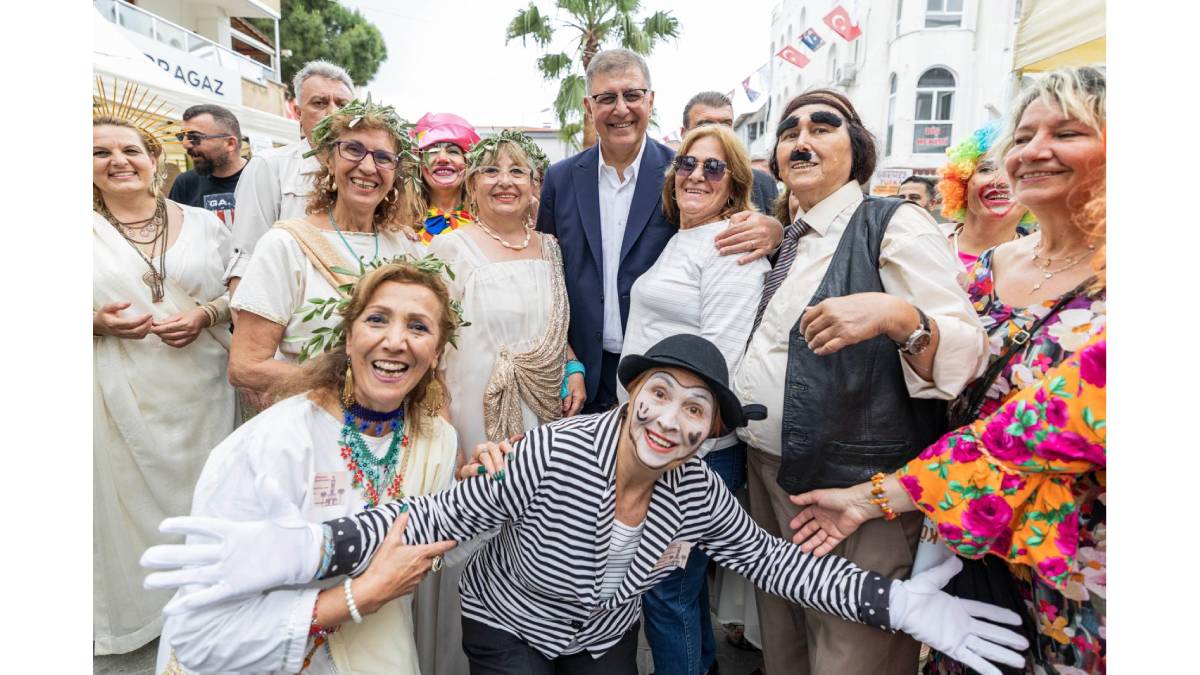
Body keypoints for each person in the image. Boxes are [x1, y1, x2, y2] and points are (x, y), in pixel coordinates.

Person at [144, 334, 1030, 675]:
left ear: (710, 434)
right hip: (512, 621)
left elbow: (781, 565)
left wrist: (897, 602)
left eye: (698, 410)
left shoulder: (694, 497)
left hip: (601, 632)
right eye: (661, 393)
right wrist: (303, 553)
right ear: (632, 391)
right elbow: (436, 518)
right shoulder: (560, 449)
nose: (671, 418)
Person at [790, 65, 1107, 675]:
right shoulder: (987, 268)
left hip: (1075, 563)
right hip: (966, 545)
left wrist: (872, 497)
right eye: (1022, 137)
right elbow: (948, 389)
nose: (1035, 151)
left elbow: (1029, 435)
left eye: (1067, 133)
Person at [731, 88, 988, 675]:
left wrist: (899, 317)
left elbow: (968, 352)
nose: (802, 139)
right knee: (787, 648)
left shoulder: (895, 223)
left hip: (856, 492)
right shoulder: (789, 239)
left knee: (853, 655)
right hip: (771, 479)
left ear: (859, 151)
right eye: (790, 131)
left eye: (823, 127)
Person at [152, 262, 462, 674]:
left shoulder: (436, 440)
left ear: (437, 352)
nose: (395, 341)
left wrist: (485, 481)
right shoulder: (273, 443)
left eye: (419, 327)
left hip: (381, 652)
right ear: (349, 338)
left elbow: (435, 536)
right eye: (377, 320)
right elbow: (204, 637)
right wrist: (357, 597)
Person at [537, 48, 785, 413]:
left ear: (650, 101)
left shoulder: (682, 174)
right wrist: (566, 359)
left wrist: (775, 229)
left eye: (632, 95)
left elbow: (731, 224)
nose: (621, 109)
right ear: (590, 108)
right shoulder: (560, 179)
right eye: (607, 98)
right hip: (579, 379)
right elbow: (546, 274)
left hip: (663, 381)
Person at [418, 129, 579, 675]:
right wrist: (443, 429)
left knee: (537, 528)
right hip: (471, 414)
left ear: (536, 187)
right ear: (472, 184)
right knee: (476, 525)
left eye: (518, 172)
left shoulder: (552, 248)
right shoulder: (448, 247)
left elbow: (558, 326)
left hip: (544, 417)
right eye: (491, 170)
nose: (505, 182)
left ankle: (533, 640)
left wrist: (574, 366)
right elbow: (431, 346)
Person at [619, 124, 768, 675]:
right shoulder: (684, 239)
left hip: (690, 451)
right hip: (661, 442)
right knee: (677, 594)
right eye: (687, 163)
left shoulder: (729, 243)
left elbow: (719, 358)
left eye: (713, 167)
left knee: (666, 593)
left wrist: (679, 449)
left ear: (733, 185)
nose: (697, 176)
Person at [92, 82, 235, 656]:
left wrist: (204, 313)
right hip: (117, 393)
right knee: (122, 507)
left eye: (130, 149)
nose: (118, 161)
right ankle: (139, 619)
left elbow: (242, 296)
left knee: (209, 496)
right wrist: (92, 321)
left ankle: (212, 604)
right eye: (100, 153)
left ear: (156, 159)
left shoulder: (207, 225)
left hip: (203, 391)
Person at [228, 98, 424, 408]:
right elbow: (245, 365)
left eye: (384, 157)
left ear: (396, 173)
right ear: (328, 160)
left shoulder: (407, 248)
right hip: (311, 426)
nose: (369, 167)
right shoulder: (285, 245)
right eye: (354, 150)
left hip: (392, 427)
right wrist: (351, 388)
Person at [227, 60, 354, 294]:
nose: (333, 112)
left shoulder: (367, 170)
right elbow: (246, 257)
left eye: (342, 104)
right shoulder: (269, 166)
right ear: (298, 112)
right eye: (319, 103)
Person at [937, 123, 1035, 269]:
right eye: (986, 169)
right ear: (963, 184)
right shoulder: (925, 243)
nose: (1001, 182)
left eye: (1017, 172)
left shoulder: (1039, 264)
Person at [680, 91, 779, 215]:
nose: (719, 133)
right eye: (705, 126)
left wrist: (776, 230)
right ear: (684, 134)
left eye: (726, 125)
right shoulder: (667, 182)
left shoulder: (763, 183)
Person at [167, 103, 247, 226]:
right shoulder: (185, 183)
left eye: (194, 137)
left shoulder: (261, 177)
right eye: (182, 136)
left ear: (230, 144)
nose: (185, 144)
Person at [412, 112, 481, 244]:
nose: (442, 158)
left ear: (467, 164)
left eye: (453, 151)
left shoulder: (488, 222)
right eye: (432, 151)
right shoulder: (399, 224)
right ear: (419, 165)